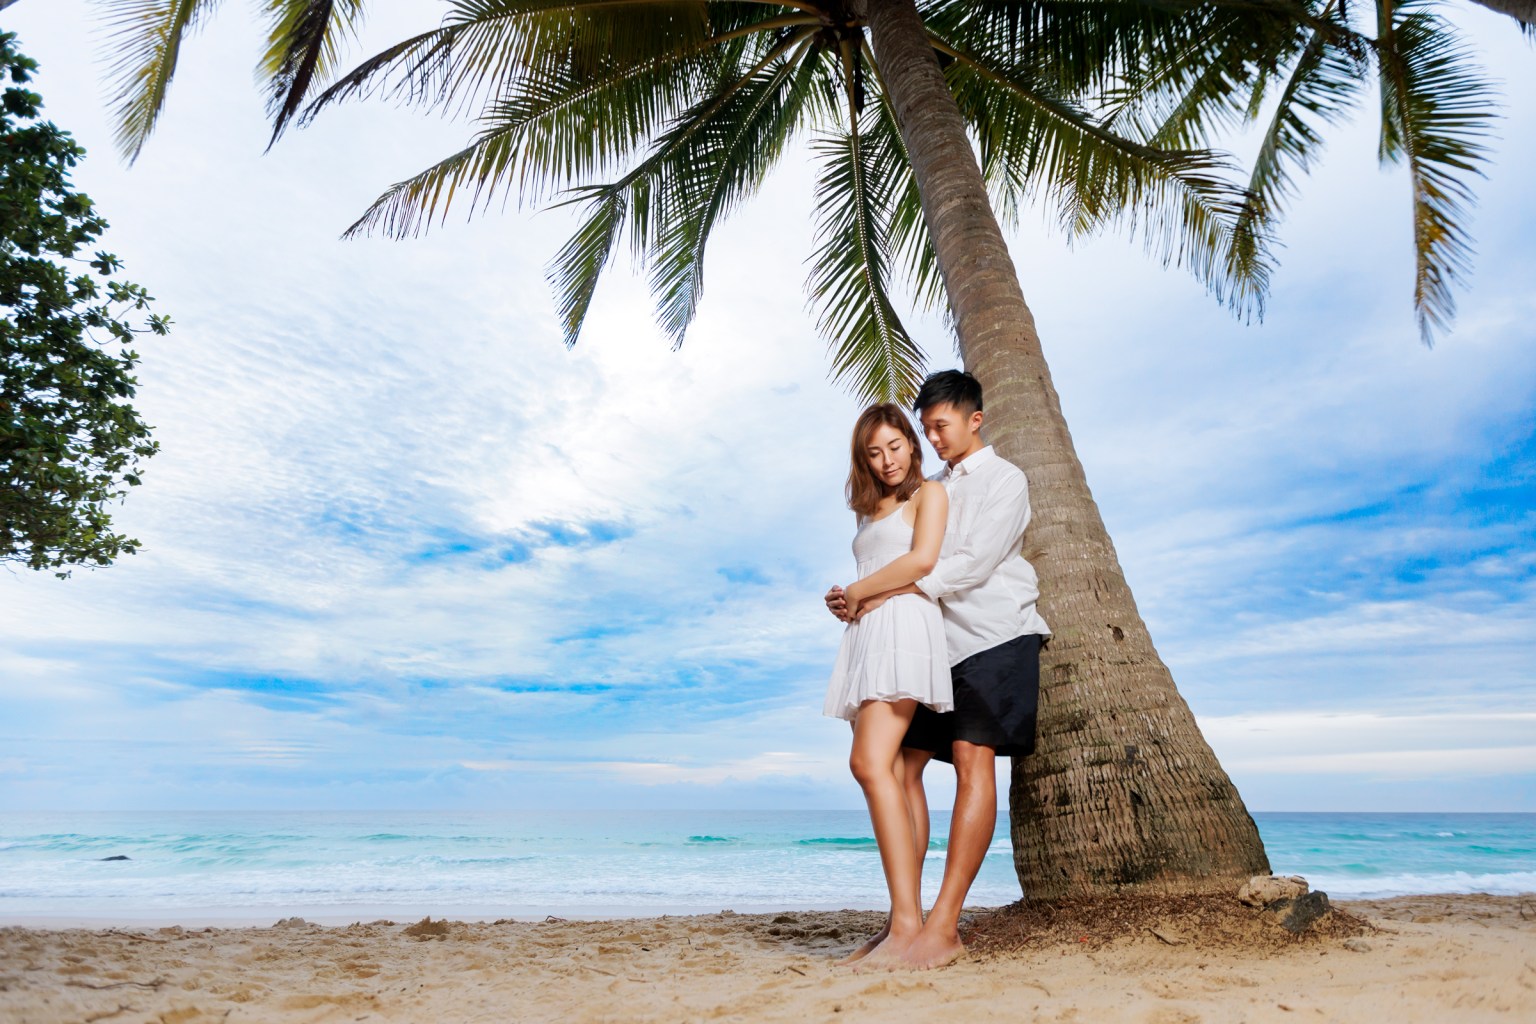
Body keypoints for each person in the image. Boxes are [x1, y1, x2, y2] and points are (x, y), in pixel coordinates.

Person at [826, 370, 1049, 970]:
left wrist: (882, 591)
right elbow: (906, 557)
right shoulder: (930, 487)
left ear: (975, 419)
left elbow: (969, 565)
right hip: (933, 648)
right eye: (925, 429)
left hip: (993, 635)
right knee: (902, 768)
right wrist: (882, 593)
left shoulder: (1005, 480)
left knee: (974, 765)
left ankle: (942, 926)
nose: (933, 437)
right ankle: (908, 920)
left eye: (939, 426)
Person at [823, 402, 952, 969]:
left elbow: (922, 562)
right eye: (873, 453)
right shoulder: (869, 512)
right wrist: (847, 600)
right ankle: (905, 922)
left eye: (894, 446)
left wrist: (860, 592)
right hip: (871, 633)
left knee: (868, 764)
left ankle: (905, 926)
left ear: (911, 443)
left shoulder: (931, 496)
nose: (886, 460)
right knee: (898, 774)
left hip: (905, 631)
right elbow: (877, 577)